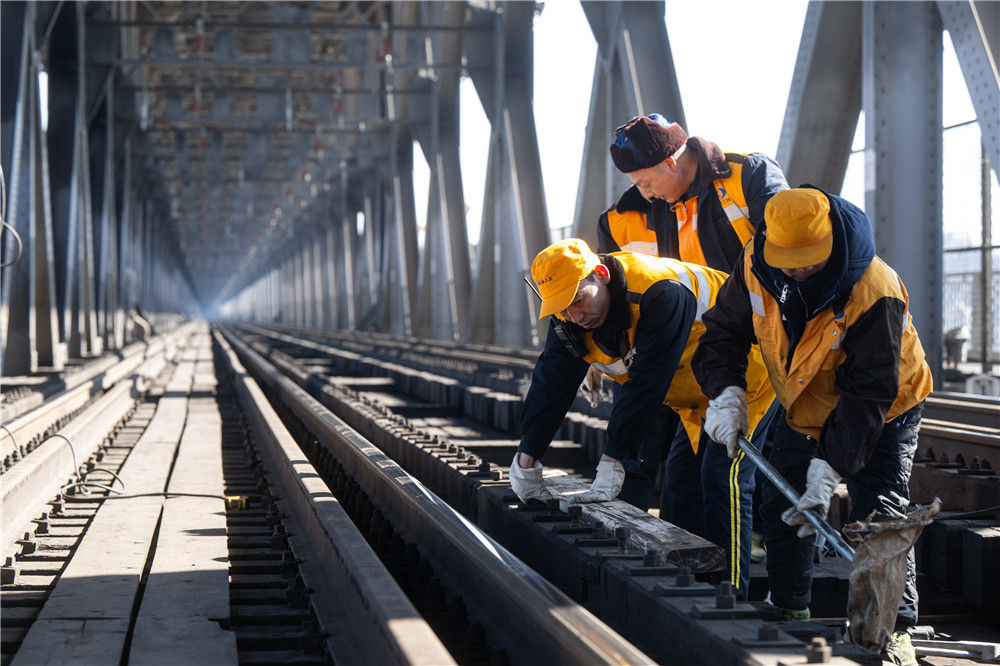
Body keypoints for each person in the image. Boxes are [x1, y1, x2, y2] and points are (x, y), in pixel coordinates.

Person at [691, 187, 932, 664]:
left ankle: (891, 629)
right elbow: (722, 334)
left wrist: (830, 469)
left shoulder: (873, 290)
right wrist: (727, 393)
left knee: (879, 513)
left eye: (809, 261)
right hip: (803, 397)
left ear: (830, 242)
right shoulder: (755, 267)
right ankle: (788, 607)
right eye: (789, 260)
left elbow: (867, 396)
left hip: (886, 405)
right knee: (782, 499)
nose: (798, 269)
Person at [509, 238, 775, 596]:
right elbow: (550, 382)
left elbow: (645, 384)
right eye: (562, 308)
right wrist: (528, 457)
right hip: (691, 390)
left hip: (743, 379)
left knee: (721, 476)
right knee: (681, 480)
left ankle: (730, 592)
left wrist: (613, 459)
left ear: (600, 275)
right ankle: (691, 582)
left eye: (578, 301)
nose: (575, 315)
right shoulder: (572, 316)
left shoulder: (659, 292)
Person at [597, 113, 788, 559]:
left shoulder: (749, 175)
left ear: (671, 162)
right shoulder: (669, 206)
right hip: (711, 360)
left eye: (645, 181)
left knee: (728, 472)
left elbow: (788, 252)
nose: (643, 194)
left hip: (762, 356)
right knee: (683, 478)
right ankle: (694, 573)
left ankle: (731, 586)